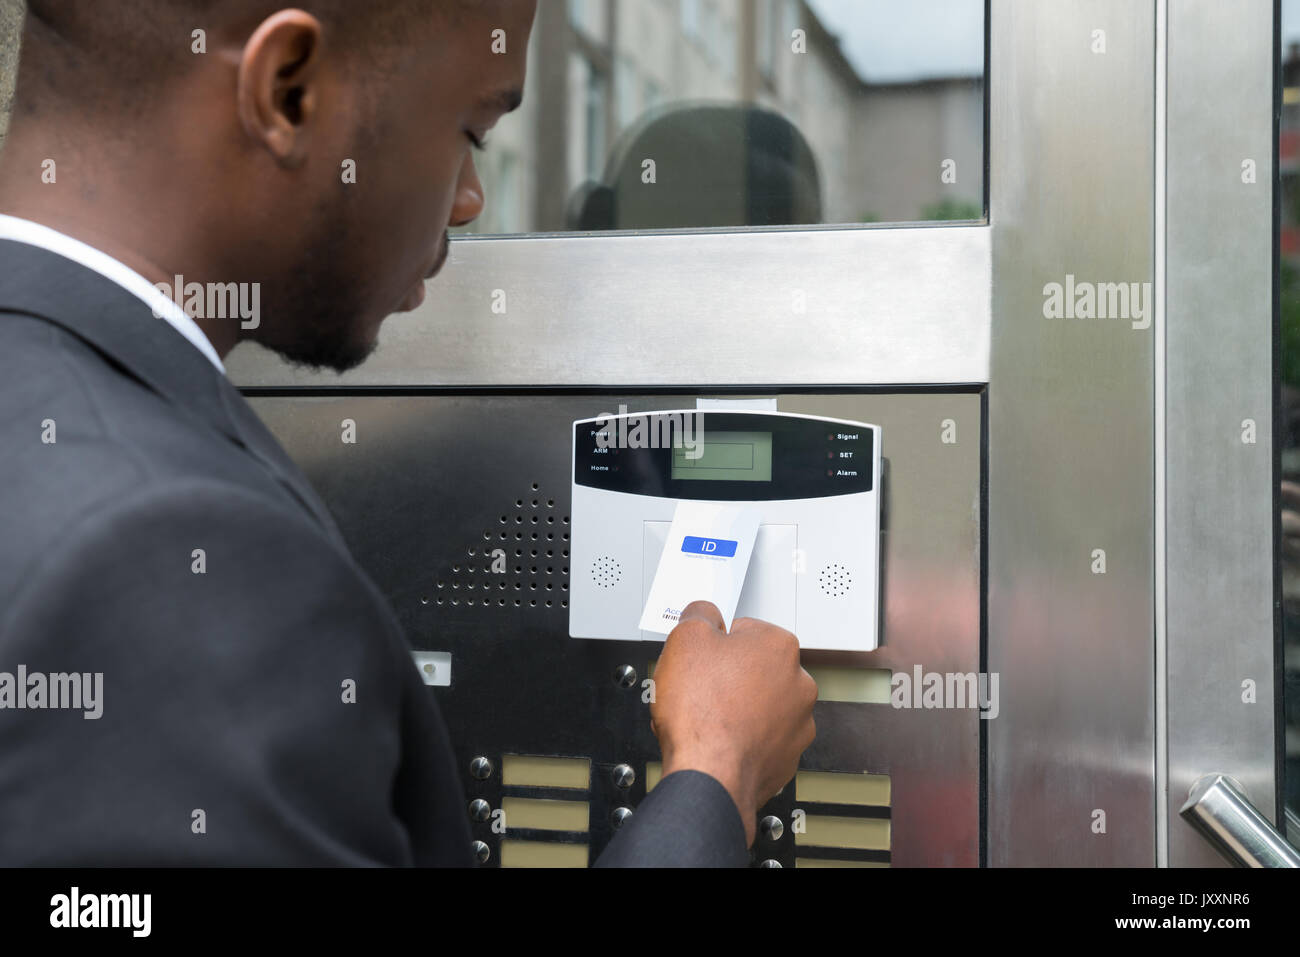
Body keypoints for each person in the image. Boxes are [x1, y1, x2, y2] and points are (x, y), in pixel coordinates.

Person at [0, 0, 817, 866]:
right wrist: (716, 775)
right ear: (288, 91)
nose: (469, 201)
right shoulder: (175, 554)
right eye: (470, 127)